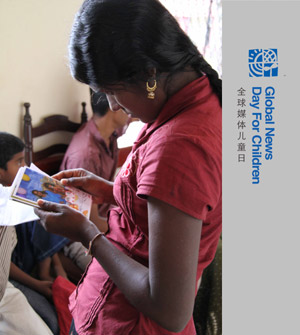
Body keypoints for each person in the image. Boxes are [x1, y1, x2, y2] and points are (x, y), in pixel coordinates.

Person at [34, 0, 222, 334]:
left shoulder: (179, 147)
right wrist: (109, 189)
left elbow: (170, 311)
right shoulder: (196, 102)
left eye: (111, 91)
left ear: (149, 73)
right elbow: (168, 206)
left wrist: (87, 234)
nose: (112, 105)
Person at [0, 132, 68, 335]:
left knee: (48, 328)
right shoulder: (6, 207)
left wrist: (55, 266)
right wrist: (37, 283)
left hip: (7, 288)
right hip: (11, 280)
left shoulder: (15, 193)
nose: (24, 169)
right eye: (19, 162)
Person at [60, 90, 130, 231]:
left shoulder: (110, 133)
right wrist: (129, 231)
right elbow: (91, 222)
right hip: (81, 231)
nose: (130, 112)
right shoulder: (86, 156)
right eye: (125, 107)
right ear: (114, 107)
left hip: (108, 213)